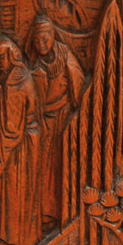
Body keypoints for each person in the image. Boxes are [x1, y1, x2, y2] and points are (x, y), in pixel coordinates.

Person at [0, 36, 42, 245]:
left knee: (15, 189)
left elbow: (11, 126)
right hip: (25, 140)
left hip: (19, 145)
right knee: (17, 190)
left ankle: (13, 239)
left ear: (11, 56)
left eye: (0, 58)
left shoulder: (15, 81)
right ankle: (16, 236)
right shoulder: (16, 77)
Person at [25, 15, 84, 224]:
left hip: (64, 117)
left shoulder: (64, 55)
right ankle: (45, 212)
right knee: (44, 168)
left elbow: (77, 81)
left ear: (52, 35)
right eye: (37, 40)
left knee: (63, 162)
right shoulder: (33, 63)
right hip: (43, 121)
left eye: (45, 38)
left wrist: (77, 110)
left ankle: (67, 209)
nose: (41, 44)